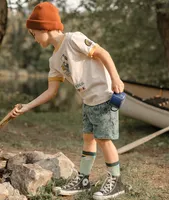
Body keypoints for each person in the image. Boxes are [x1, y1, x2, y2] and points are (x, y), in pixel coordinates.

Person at [11, 2, 125, 200]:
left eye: (33, 34)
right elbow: (51, 91)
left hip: (104, 96)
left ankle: (116, 181)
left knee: (104, 140)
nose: (34, 39)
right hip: (88, 102)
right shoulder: (53, 61)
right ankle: (83, 179)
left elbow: (102, 53)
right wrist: (26, 107)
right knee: (88, 139)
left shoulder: (74, 39)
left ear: (44, 27)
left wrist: (116, 78)